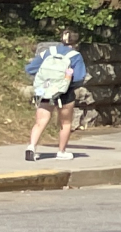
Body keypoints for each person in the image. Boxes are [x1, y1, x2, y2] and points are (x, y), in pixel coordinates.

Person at [23, 27, 87, 163]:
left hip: (46, 90)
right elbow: (79, 77)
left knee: (40, 122)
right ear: (77, 41)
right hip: (65, 92)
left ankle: (31, 147)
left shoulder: (49, 52)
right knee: (65, 123)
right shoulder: (75, 56)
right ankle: (61, 151)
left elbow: (30, 68)